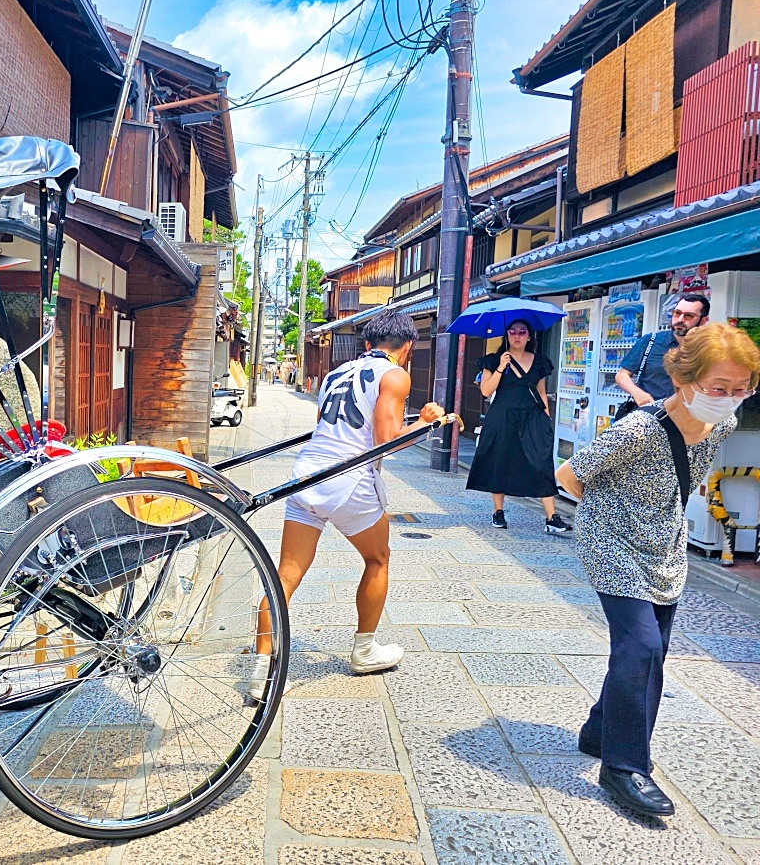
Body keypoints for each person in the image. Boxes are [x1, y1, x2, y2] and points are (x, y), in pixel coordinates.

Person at [556, 323, 760, 818]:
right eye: (719, 389)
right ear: (683, 379)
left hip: (663, 543)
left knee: (652, 649)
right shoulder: (639, 429)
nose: (729, 399)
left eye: (742, 389)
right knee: (642, 646)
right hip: (612, 542)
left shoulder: (723, 424)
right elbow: (567, 476)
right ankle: (625, 766)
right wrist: (613, 517)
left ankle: (599, 730)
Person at [250, 311, 445, 702]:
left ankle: (261, 673)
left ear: (368, 342)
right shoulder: (395, 375)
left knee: (285, 575)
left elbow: (334, 424)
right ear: (406, 346)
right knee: (378, 558)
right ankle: (365, 649)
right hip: (348, 479)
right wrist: (425, 422)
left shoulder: (336, 373)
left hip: (306, 475)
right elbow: (386, 440)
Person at [466, 319, 571, 533]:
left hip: (532, 417)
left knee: (541, 462)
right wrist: (501, 367)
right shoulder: (493, 360)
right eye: (512, 331)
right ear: (506, 335)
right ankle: (498, 512)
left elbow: (541, 392)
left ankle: (551, 518)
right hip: (502, 416)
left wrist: (546, 420)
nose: (517, 335)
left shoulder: (540, 362)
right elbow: (486, 391)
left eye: (522, 332)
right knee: (500, 461)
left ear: (529, 336)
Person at [615, 293, 710, 408]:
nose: (680, 319)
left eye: (689, 316)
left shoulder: (708, 349)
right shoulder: (650, 341)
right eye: (677, 313)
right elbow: (622, 374)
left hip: (687, 417)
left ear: (703, 320)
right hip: (649, 414)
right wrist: (636, 392)